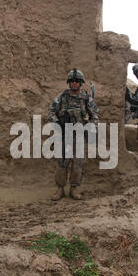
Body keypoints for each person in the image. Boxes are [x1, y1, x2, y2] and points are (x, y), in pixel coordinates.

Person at [48, 68, 99, 200]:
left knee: (78, 163)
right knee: (62, 163)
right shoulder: (62, 97)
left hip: (79, 135)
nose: (74, 83)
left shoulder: (86, 98)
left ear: (81, 83)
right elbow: (52, 112)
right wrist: (57, 124)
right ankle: (60, 189)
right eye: (72, 81)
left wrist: (91, 127)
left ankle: (74, 188)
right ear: (69, 83)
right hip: (65, 134)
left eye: (77, 81)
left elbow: (95, 115)